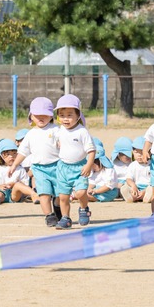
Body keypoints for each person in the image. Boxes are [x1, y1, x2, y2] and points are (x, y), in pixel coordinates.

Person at [8, 97, 62, 226]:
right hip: (39, 168)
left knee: (60, 194)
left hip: (58, 167)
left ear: (51, 116)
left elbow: (64, 144)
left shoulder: (56, 130)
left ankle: (58, 208)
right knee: (44, 194)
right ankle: (49, 215)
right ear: (31, 116)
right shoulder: (31, 134)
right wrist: (15, 165)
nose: (41, 118)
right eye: (37, 115)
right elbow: (23, 151)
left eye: (45, 115)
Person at [52, 94, 95, 229]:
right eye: (62, 115)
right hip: (63, 168)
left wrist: (89, 165)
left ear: (78, 115)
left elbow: (92, 150)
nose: (65, 118)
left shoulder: (82, 132)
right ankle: (66, 218)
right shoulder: (58, 131)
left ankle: (84, 209)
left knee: (80, 193)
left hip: (80, 168)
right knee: (63, 197)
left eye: (70, 115)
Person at [0, 139, 35, 204]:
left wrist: (14, 184)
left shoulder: (20, 169)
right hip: (1, 190)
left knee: (18, 185)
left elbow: (25, 183)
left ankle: (34, 195)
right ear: (1, 156)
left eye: (14, 153)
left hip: (15, 193)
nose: (11, 156)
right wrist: (0, 186)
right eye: (7, 154)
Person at [121, 136, 151, 203]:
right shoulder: (132, 165)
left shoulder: (152, 165)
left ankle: (146, 197)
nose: (139, 155)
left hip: (148, 187)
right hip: (136, 187)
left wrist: (145, 191)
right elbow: (129, 178)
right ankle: (132, 197)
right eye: (136, 152)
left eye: (142, 152)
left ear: (149, 152)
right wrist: (133, 186)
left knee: (153, 189)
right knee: (125, 187)